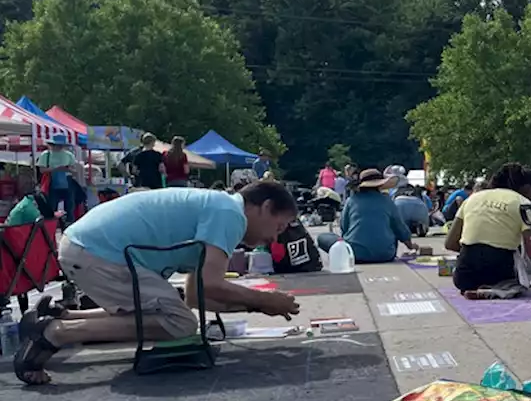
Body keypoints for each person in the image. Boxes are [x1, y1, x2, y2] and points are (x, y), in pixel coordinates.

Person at [13, 182, 301, 385]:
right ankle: (56, 332)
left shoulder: (218, 207)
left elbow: (196, 296)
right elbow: (209, 285)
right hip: (98, 253)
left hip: (88, 247)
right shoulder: (230, 214)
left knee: (173, 313)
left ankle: (60, 316)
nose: (274, 239)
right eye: (278, 228)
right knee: (180, 324)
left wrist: (257, 308)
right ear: (265, 207)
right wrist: (265, 300)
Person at [444, 163, 531, 292]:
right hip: (500, 274)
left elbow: (450, 243)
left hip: (464, 276)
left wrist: (476, 250)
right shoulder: (524, 204)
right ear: (529, 189)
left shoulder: (472, 199)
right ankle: (496, 288)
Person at [317, 169, 416, 264]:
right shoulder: (387, 201)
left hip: (355, 254)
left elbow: (344, 227)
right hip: (385, 254)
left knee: (322, 237)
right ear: (380, 185)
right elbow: (400, 228)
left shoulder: (351, 201)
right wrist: (411, 246)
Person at [35, 133, 82, 223]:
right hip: (52, 181)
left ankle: (68, 225)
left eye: (61, 145)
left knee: (70, 206)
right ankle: (51, 225)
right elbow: (42, 170)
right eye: (57, 145)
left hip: (68, 181)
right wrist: (56, 169)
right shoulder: (46, 154)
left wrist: (68, 169)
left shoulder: (69, 155)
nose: (59, 147)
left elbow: (75, 170)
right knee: (52, 206)